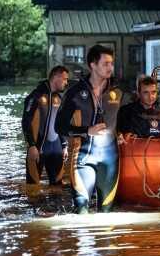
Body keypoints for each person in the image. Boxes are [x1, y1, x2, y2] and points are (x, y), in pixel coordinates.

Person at [55, 45, 123, 214]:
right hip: (83, 158)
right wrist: (87, 131)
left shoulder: (119, 91)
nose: (110, 68)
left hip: (110, 159)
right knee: (82, 211)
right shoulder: (74, 93)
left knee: (106, 214)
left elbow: (128, 116)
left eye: (112, 63)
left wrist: (123, 133)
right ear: (93, 65)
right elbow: (59, 126)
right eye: (106, 63)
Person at [22, 65, 70, 185]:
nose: (66, 82)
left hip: (56, 149)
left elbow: (61, 124)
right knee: (33, 189)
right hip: (38, 149)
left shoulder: (59, 98)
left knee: (58, 189)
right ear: (56, 77)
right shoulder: (35, 96)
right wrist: (32, 145)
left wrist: (64, 145)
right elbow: (25, 122)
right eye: (64, 79)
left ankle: (53, 204)